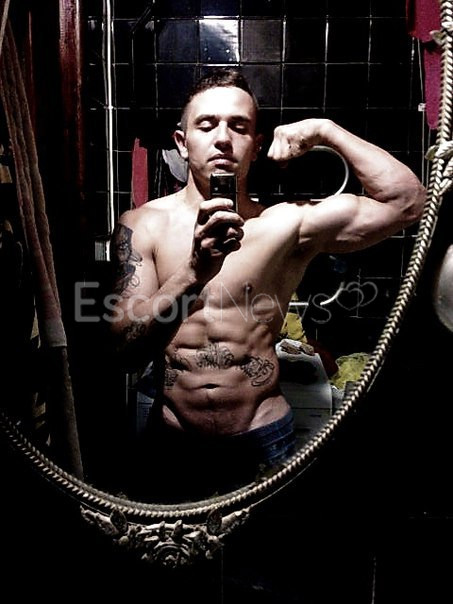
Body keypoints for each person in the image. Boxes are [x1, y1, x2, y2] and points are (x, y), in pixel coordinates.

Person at [108, 69, 425, 501]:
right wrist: (193, 272)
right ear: (182, 142)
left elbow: (408, 203)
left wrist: (325, 131)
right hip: (174, 441)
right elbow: (122, 351)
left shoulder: (285, 225)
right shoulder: (143, 225)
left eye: (239, 127)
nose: (223, 139)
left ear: (256, 146)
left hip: (263, 439)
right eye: (206, 125)